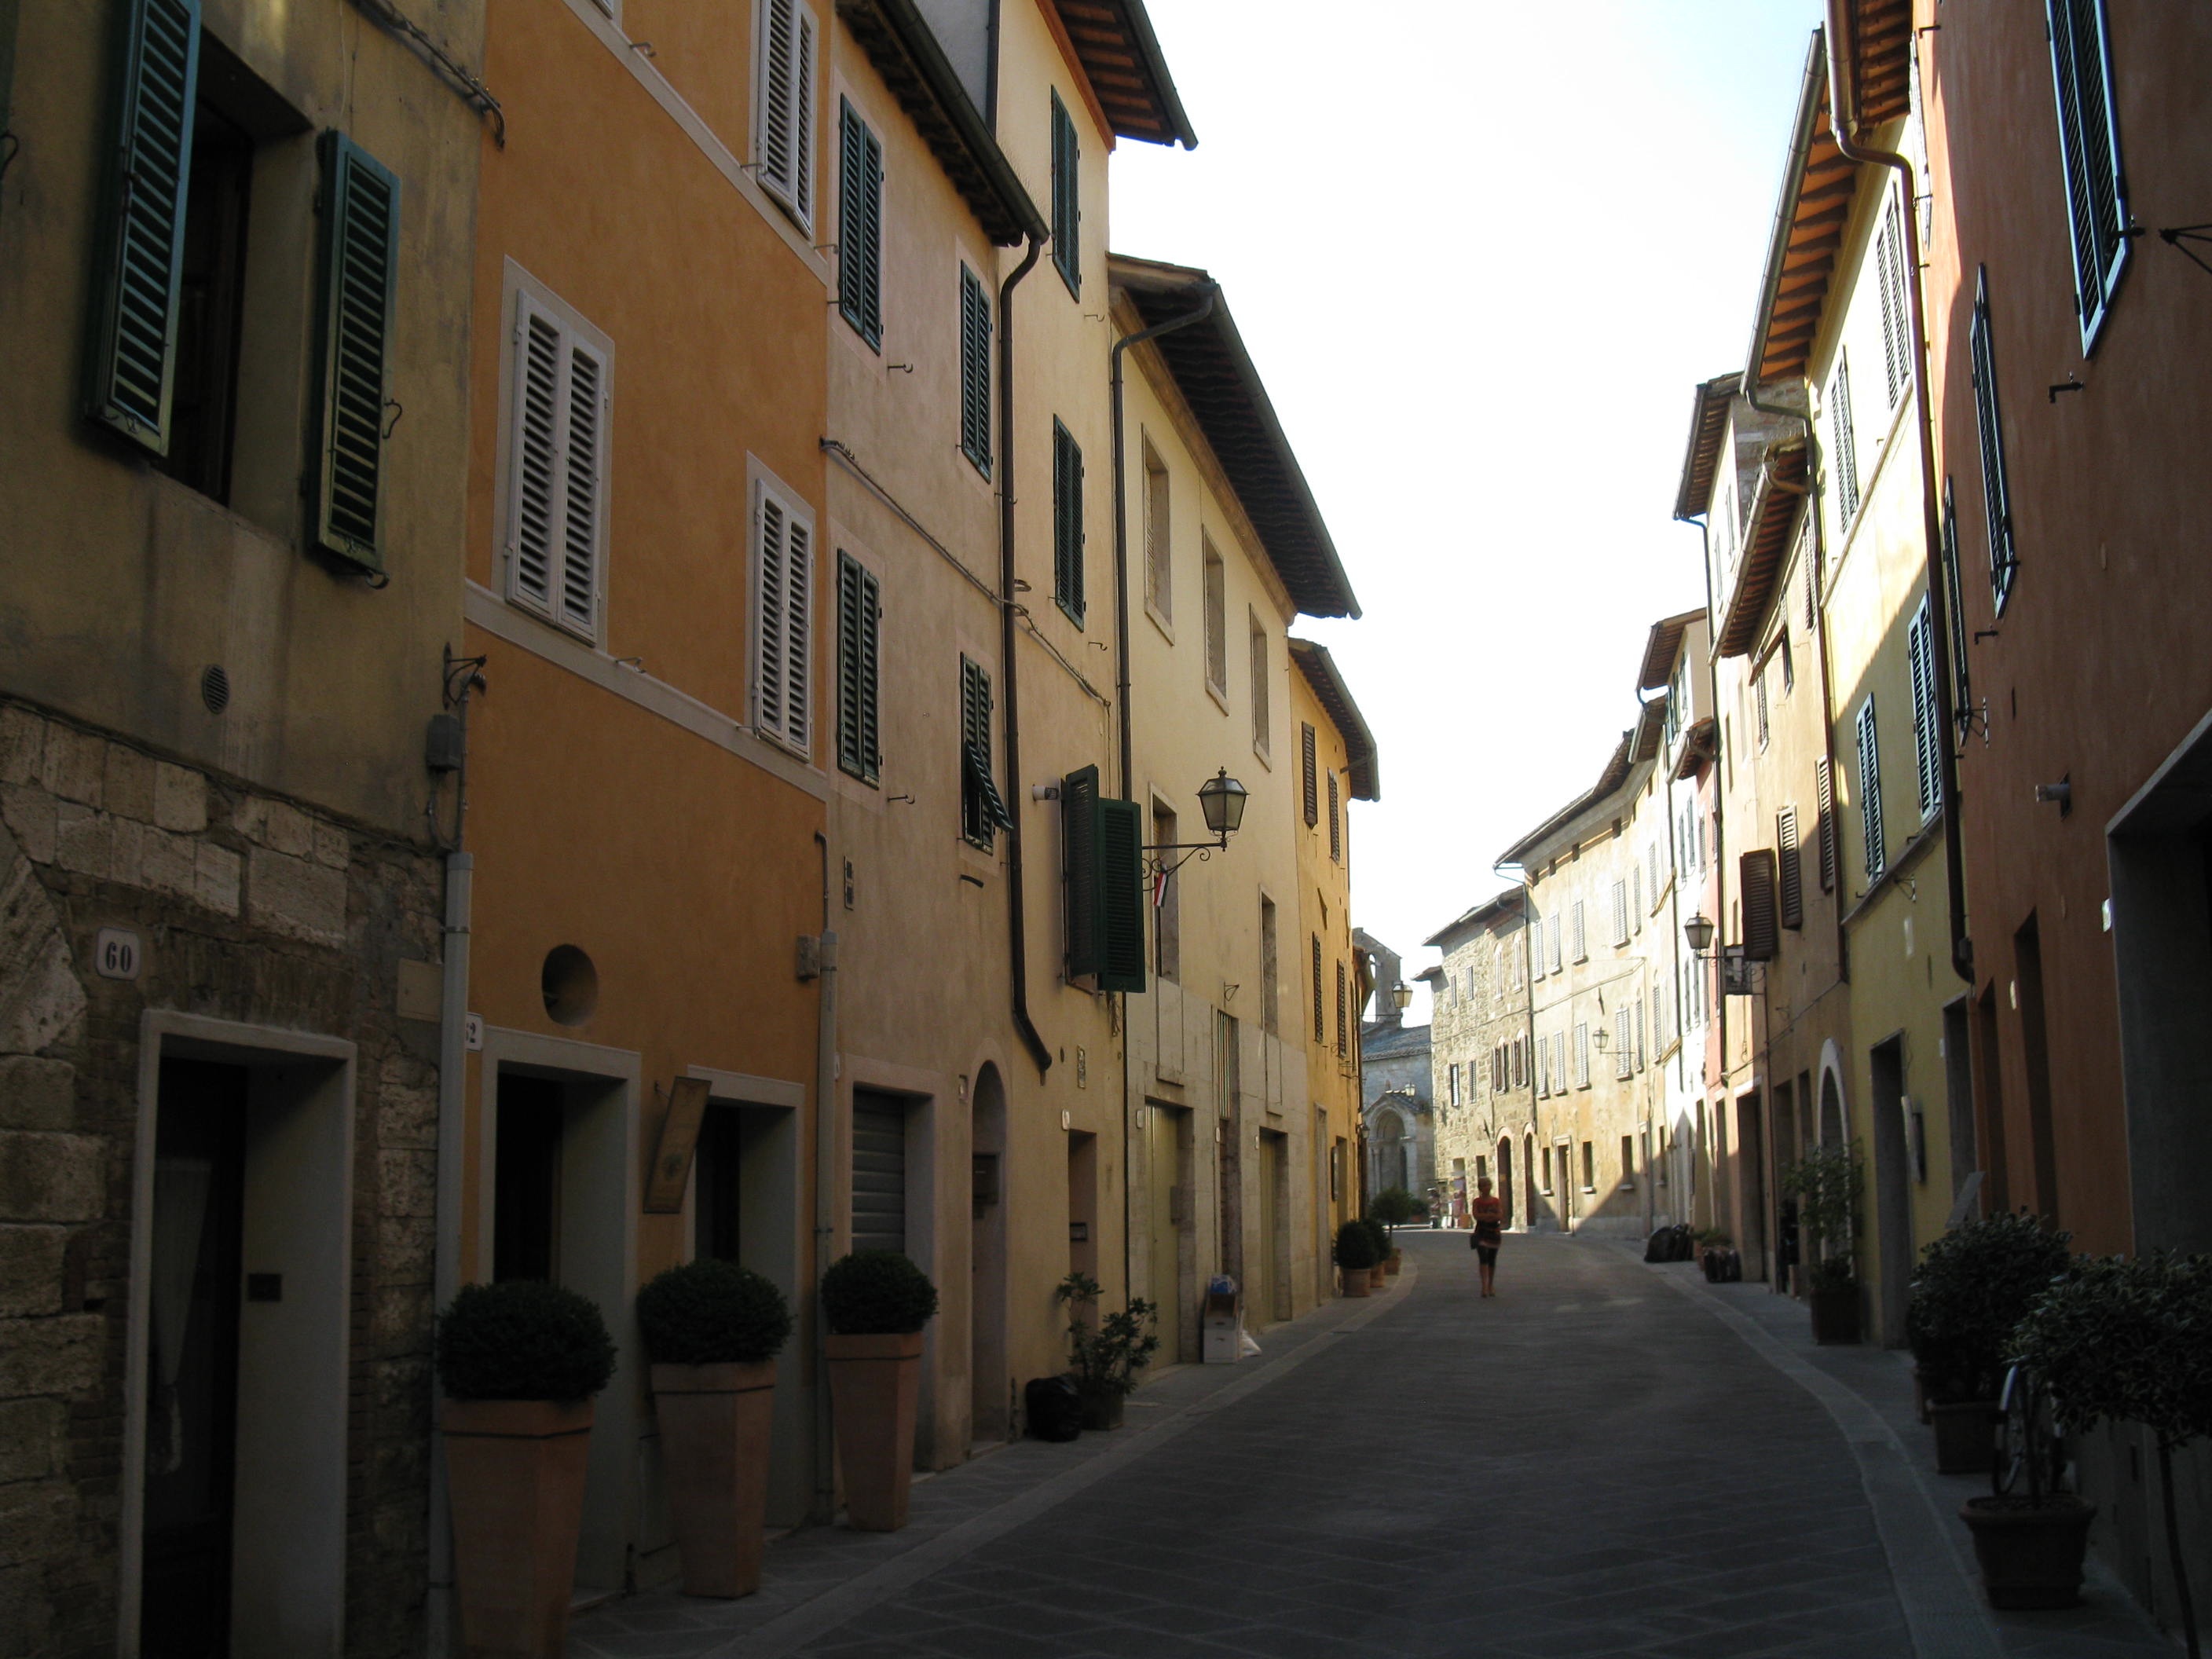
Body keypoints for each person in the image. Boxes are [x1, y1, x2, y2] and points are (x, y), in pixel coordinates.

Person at [1470, 1175, 1504, 1297]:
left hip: (1494, 1232)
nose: (1486, 1187)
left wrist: (1485, 1216)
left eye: (1488, 1185)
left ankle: (1490, 1285)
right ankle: (1484, 1286)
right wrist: (1490, 1216)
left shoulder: (1496, 1201)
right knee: (1483, 1258)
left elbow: (1499, 1216)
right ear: (1480, 1188)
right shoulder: (1477, 1202)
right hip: (1481, 1232)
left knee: (1492, 1259)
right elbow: (1476, 1216)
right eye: (1484, 1185)